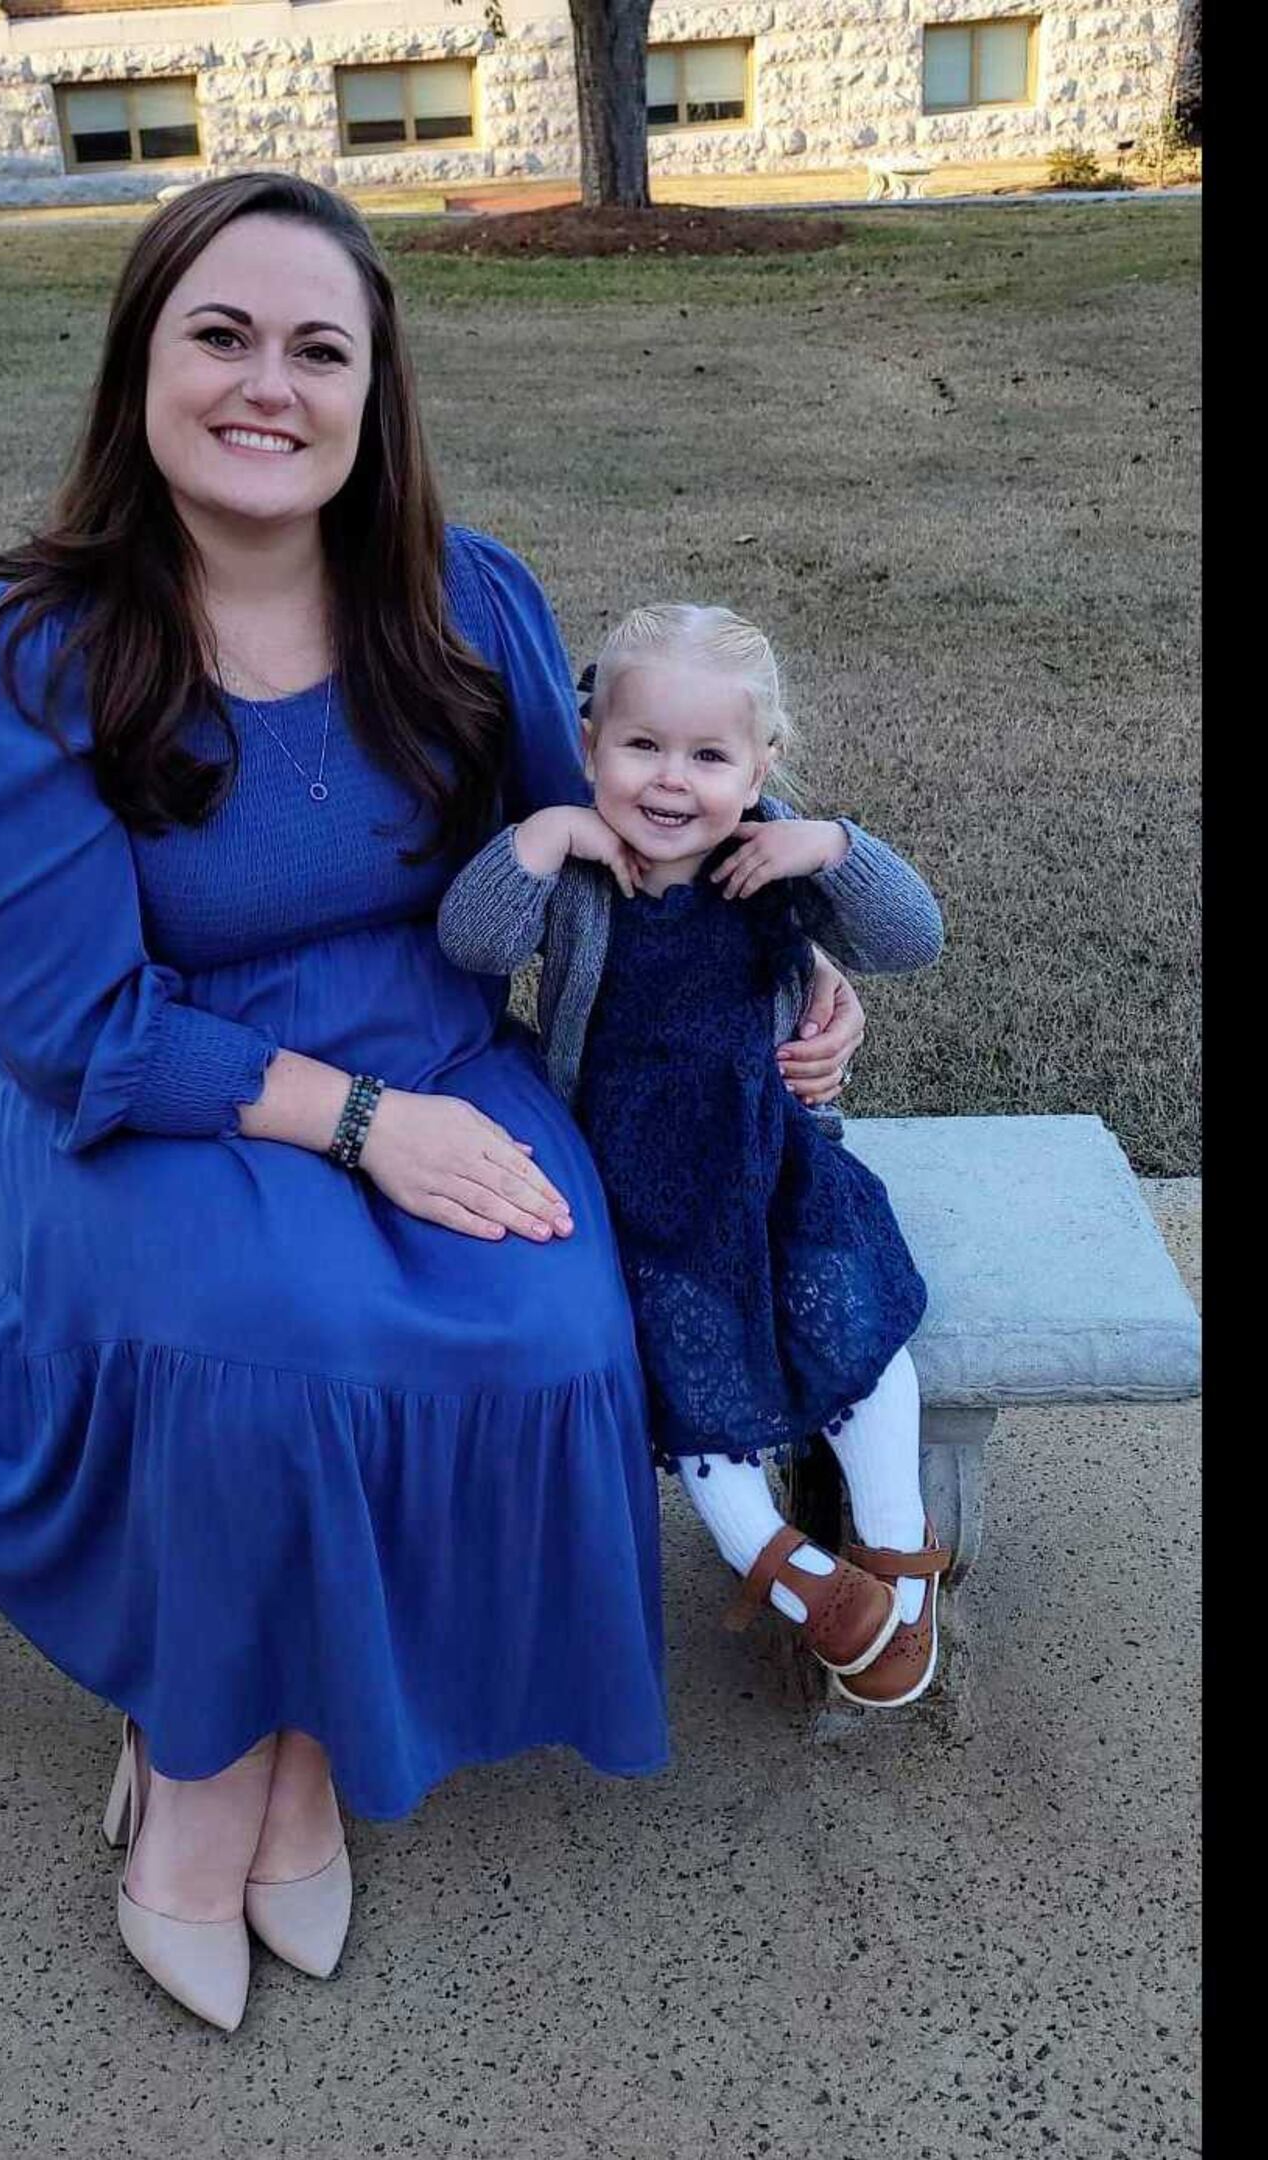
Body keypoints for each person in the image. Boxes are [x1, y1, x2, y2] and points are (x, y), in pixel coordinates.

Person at [0, 173, 868, 2035]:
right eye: (222, 336)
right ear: (143, 365)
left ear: (373, 389)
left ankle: (310, 1728)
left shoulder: (465, 597)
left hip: (439, 1051)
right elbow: (62, 1016)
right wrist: (354, 1127)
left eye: (317, 350)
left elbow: (619, 842)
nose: (270, 385)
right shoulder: (35, 645)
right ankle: (202, 1751)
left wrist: (786, 954)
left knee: (548, 1329)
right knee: (269, 1336)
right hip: (150, 1088)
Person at [439, 603, 953, 1710]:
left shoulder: (773, 856)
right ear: (591, 747)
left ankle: (899, 1557)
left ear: (760, 764)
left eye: (710, 757)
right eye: (642, 746)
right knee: (688, 1364)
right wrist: (544, 835)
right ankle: (779, 1562)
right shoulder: (582, 866)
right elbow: (471, 938)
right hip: (636, 1184)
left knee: (858, 1318)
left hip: (773, 1166)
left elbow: (914, 939)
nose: (671, 781)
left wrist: (835, 847)